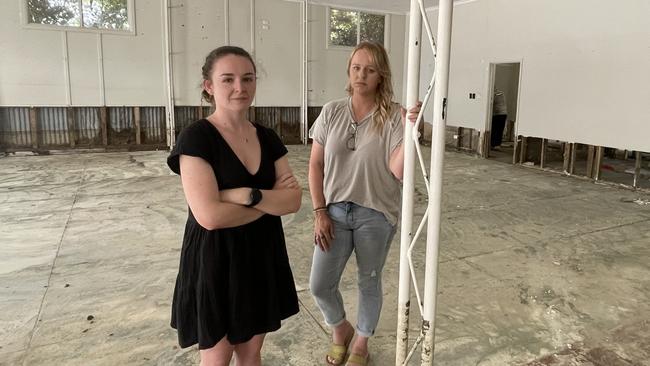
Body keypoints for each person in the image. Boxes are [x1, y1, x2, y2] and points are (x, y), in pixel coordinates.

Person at [166, 45, 301, 366]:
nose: (240, 87)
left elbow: (294, 200)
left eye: (247, 78)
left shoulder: (268, 138)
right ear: (209, 86)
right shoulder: (197, 138)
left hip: (261, 255)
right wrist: (270, 202)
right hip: (216, 260)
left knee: (251, 353)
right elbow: (209, 216)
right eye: (227, 79)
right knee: (217, 357)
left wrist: (246, 195)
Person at [308, 41, 420, 366]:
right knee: (319, 284)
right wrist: (319, 211)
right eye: (357, 68)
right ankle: (340, 328)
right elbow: (315, 165)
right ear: (349, 70)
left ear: (380, 75)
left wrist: (411, 132)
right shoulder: (331, 111)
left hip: (376, 213)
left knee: (368, 280)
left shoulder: (394, 116)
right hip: (334, 212)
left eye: (370, 70)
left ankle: (361, 342)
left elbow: (397, 170)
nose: (362, 75)